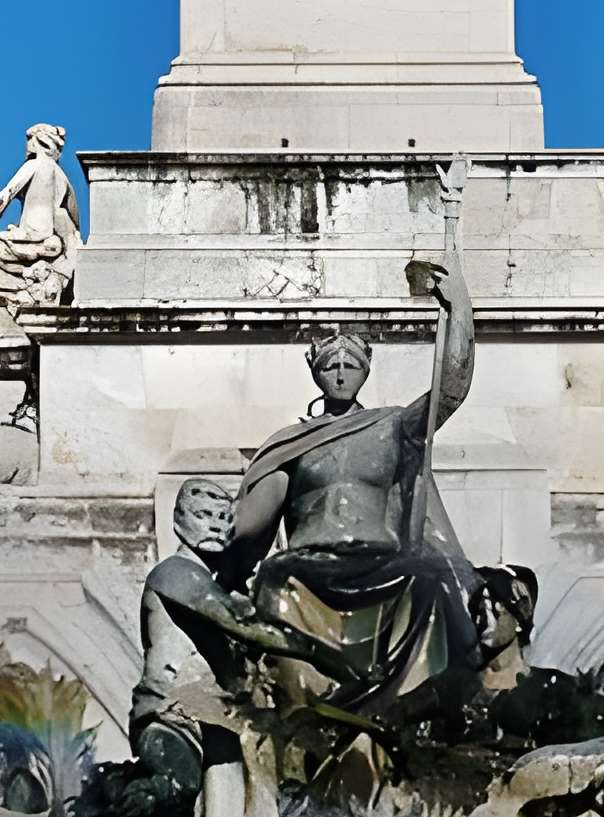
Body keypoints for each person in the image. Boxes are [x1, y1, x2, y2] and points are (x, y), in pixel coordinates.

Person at [204, 157, 485, 725]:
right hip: (309, 565)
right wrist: (220, 552)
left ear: (365, 371)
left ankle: (420, 714)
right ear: (315, 373)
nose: (338, 372)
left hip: (384, 561)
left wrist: (459, 314)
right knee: (277, 579)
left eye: (349, 363)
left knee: (429, 579)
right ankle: (299, 714)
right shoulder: (292, 443)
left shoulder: (391, 426)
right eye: (328, 363)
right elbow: (253, 528)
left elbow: (451, 389)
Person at [0, 125, 85, 326]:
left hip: (28, 239)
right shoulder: (63, 176)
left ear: (39, 142)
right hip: (52, 243)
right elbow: (74, 219)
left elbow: (3, 197)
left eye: (29, 139)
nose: (27, 145)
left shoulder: (33, 166)